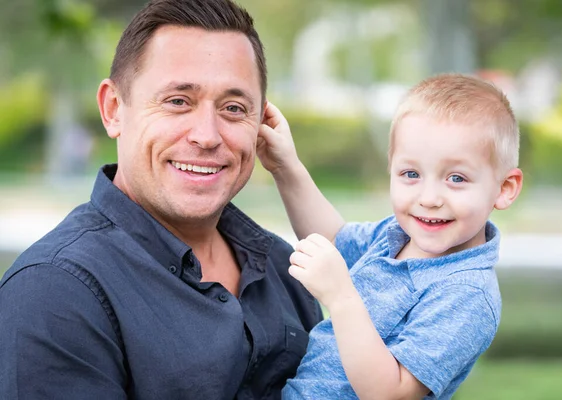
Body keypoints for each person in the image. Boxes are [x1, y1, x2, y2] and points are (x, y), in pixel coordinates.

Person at [0, 0, 322, 398]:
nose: (206, 135)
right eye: (178, 101)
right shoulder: (55, 291)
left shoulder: (284, 265)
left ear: (261, 123)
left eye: (234, 108)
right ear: (114, 109)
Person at [257, 74, 523, 399]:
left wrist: (341, 298)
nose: (429, 198)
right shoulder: (396, 236)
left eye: (456, 178)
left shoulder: (467, 295)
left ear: (504, 188)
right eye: (411, 174)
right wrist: (286, 167)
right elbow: (334, 238)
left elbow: (391, 393)